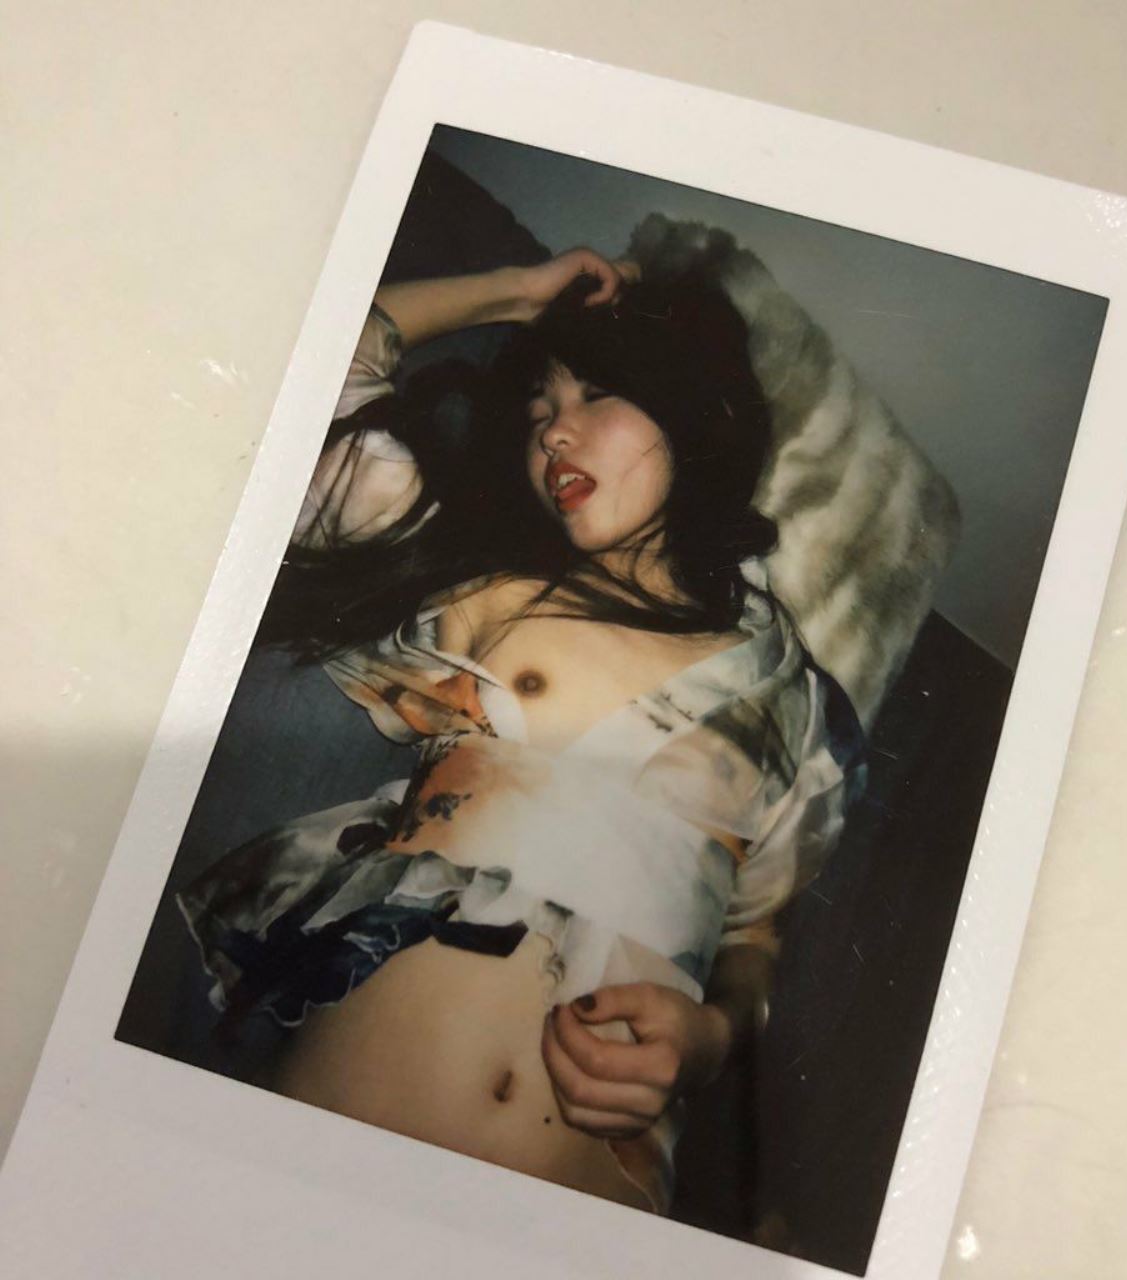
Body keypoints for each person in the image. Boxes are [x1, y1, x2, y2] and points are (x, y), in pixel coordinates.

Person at [177, 248, 865, 1213]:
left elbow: (757, 935)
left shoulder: (796, 704)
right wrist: (516, 293)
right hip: (331, 1156)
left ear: (695, 412)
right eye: (540, 409)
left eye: (596, 395)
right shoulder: (483, 587)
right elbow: (296, 385)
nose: (554, 432)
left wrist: (707, 1040)